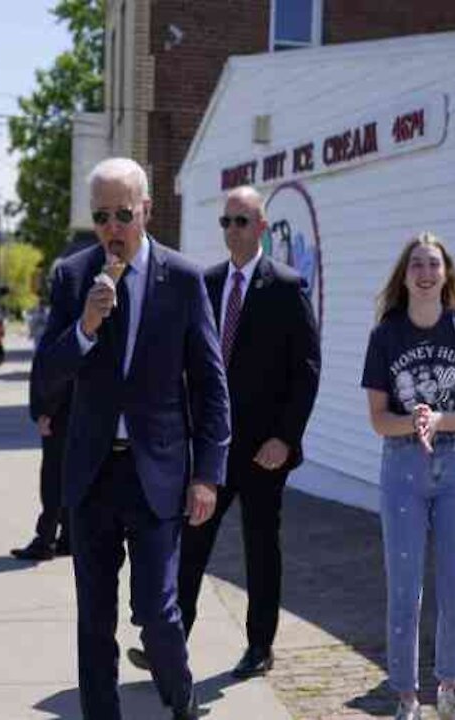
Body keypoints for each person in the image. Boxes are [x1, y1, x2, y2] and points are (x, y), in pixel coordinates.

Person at [34, 157, 230, 720]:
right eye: (101, 217)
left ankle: (181, 698)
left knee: (157, 611)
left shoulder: (184, 279)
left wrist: (207, 475)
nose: (113, 228)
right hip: (92, 474)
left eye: (124, 214)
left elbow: (212, 387)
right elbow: (46, 377)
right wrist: (85, 329)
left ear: (146, 209)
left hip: (159, 474)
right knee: (94, 618)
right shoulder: (74, 279)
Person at [126, 185, 320, 680]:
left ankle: (260, 647)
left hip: (263, 452)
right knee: (190, 547)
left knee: (260, 549)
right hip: (209, 447)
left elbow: (307, 371)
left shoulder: (287, 286)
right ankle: (169, 644)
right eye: (226, 222)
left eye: (241, 221)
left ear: (261, 226)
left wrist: (286, 437)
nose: (232, 230)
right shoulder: (204, 282)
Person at [361, 233, 455, 720]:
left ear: (446, 273)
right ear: (405, 274)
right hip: (402, 464)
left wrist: (437, 420)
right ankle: (407, 698)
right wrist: (413, 423)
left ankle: (450, 690)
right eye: (416, 264)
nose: (425, 272)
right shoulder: (385, 334)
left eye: (433, 264)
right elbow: (377, 418)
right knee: (405, 588)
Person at [11, 330, 73, 560]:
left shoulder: (65, 313)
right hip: (70, 411)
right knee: (66, 476)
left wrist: (46, 410)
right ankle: (68, 537)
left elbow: (58, 372)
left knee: (53, 479)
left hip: (61, 415)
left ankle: (45, 540)